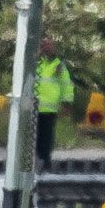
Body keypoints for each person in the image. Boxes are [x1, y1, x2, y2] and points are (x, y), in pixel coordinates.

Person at [34, 37, 74, 169]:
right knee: (33, 136)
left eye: (49, 45)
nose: (47, 48)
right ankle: (33, 161)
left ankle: (45, 161)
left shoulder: (58, 65)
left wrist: (66, 102)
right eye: (44, 45)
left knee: (46, 136)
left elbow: (66, 85)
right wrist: (37, 55)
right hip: (33, 107)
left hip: (49, 108)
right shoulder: (36, 63)